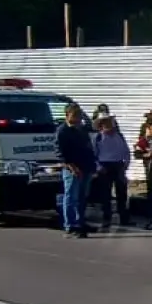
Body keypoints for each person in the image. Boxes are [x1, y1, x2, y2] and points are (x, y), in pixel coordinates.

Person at [54, 102, 97, 238]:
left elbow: (88, 147)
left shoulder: (82, 130)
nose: (78, 117)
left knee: (82, 197)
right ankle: (70, 225)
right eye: (75, 114)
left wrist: (92, 166)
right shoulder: (63, 131)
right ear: (67, 115)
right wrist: (70, 165)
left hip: (86, 167)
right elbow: (60, 151)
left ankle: (80, 222)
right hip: (72, 168)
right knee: (71, 196)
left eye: (79, 114)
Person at [93, 114, 132, 229]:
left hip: (118, 165)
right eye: (107, 122)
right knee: (105, 194)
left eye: (111, 122)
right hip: (104, 166)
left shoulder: (119, 136)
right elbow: (94, 155)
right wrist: (99, 167)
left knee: (122, 193)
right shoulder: (98, 137)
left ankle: (123, 217)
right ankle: (106, 218)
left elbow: (126, 151)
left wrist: (126, 163)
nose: (110, 124)